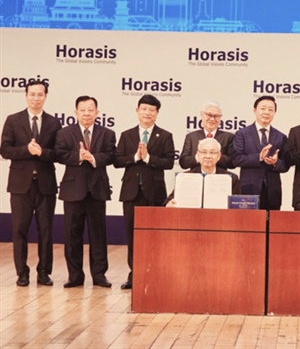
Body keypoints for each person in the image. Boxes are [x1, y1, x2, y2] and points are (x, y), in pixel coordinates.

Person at [0, 80, 61, 287]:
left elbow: (58, 153)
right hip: (20, 184)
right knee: (19, 229)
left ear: (46, 96)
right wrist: (26, 149)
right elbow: (5, 150)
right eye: (32, 94)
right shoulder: (13, 120)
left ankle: (44, 272)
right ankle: (22, 273)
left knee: (46, 229)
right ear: (26, 95)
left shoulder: (53, 123)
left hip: (45, 184)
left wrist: (42, 152)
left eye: (40, 94)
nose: (36, 98)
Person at [114, 94, 175, 290]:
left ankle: (155, 271)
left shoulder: (165, 136)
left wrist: (149, 158)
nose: (147, 113)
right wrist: (135, 157)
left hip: (155, 191)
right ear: (137, 111)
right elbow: (117, 161)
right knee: (132, 234)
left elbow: (168, 162)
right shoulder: (127, 135)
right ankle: (134, 274)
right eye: (144, 109)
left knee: (155, 235)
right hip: (131, 192)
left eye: (152, 110)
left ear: (157, 113)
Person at [55, 96, 116, 288]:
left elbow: (111, 155)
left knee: (98, 234)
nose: (87, 113)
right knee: (72, 235)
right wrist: (78, 157)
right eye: (83, 110)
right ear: (76, 112)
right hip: (73, 190)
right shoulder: (65, 133)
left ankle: (99, 275)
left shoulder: (107, 133)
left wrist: (93, 157)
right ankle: (75, 276)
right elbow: (59, 154)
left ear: (97, 112)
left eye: (91, 109)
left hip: (97, 190)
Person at [233, 95, 289, 210]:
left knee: (271, 226)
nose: (266, 112)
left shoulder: (281, 136)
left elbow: (285, 165)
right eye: (263, 108)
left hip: (272, 191)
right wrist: (258, 157)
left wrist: (275, 162)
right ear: (254, 110)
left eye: (270, 109)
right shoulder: (242, 134)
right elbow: (236, 159)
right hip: (248, 190)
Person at [165, 138, 240, 206]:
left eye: (212, 153)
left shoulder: (231, 179)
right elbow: (167, 202)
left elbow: (237, 206)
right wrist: (170, 204)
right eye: (204, 152)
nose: (208, 156)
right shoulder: (184, 177)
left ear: (219, 156)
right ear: (197, 154)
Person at [179, 100, 234, 171]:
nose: (212, 119)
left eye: (216, 116)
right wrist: (199, 157)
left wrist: (215, 156)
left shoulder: (228, 137)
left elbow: (233, 163)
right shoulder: (191, 137)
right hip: (195, 177)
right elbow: (183, 162)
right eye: (209, 115)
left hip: (220, 178)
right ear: (202, 115)